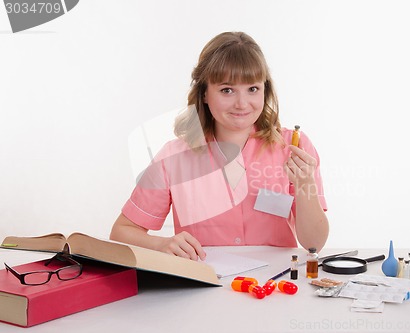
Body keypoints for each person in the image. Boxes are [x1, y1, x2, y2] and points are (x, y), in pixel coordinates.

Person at [110, 31, 329, 261]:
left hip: (274, 289)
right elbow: (121, 232)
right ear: (204, 93)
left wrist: (305, 184)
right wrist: (161, 244)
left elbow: (314, 243)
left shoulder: (294, 147)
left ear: (265, 90)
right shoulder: (174, 157)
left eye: (252, 89)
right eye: (227, 90)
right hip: (204, 289)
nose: (242, 103)